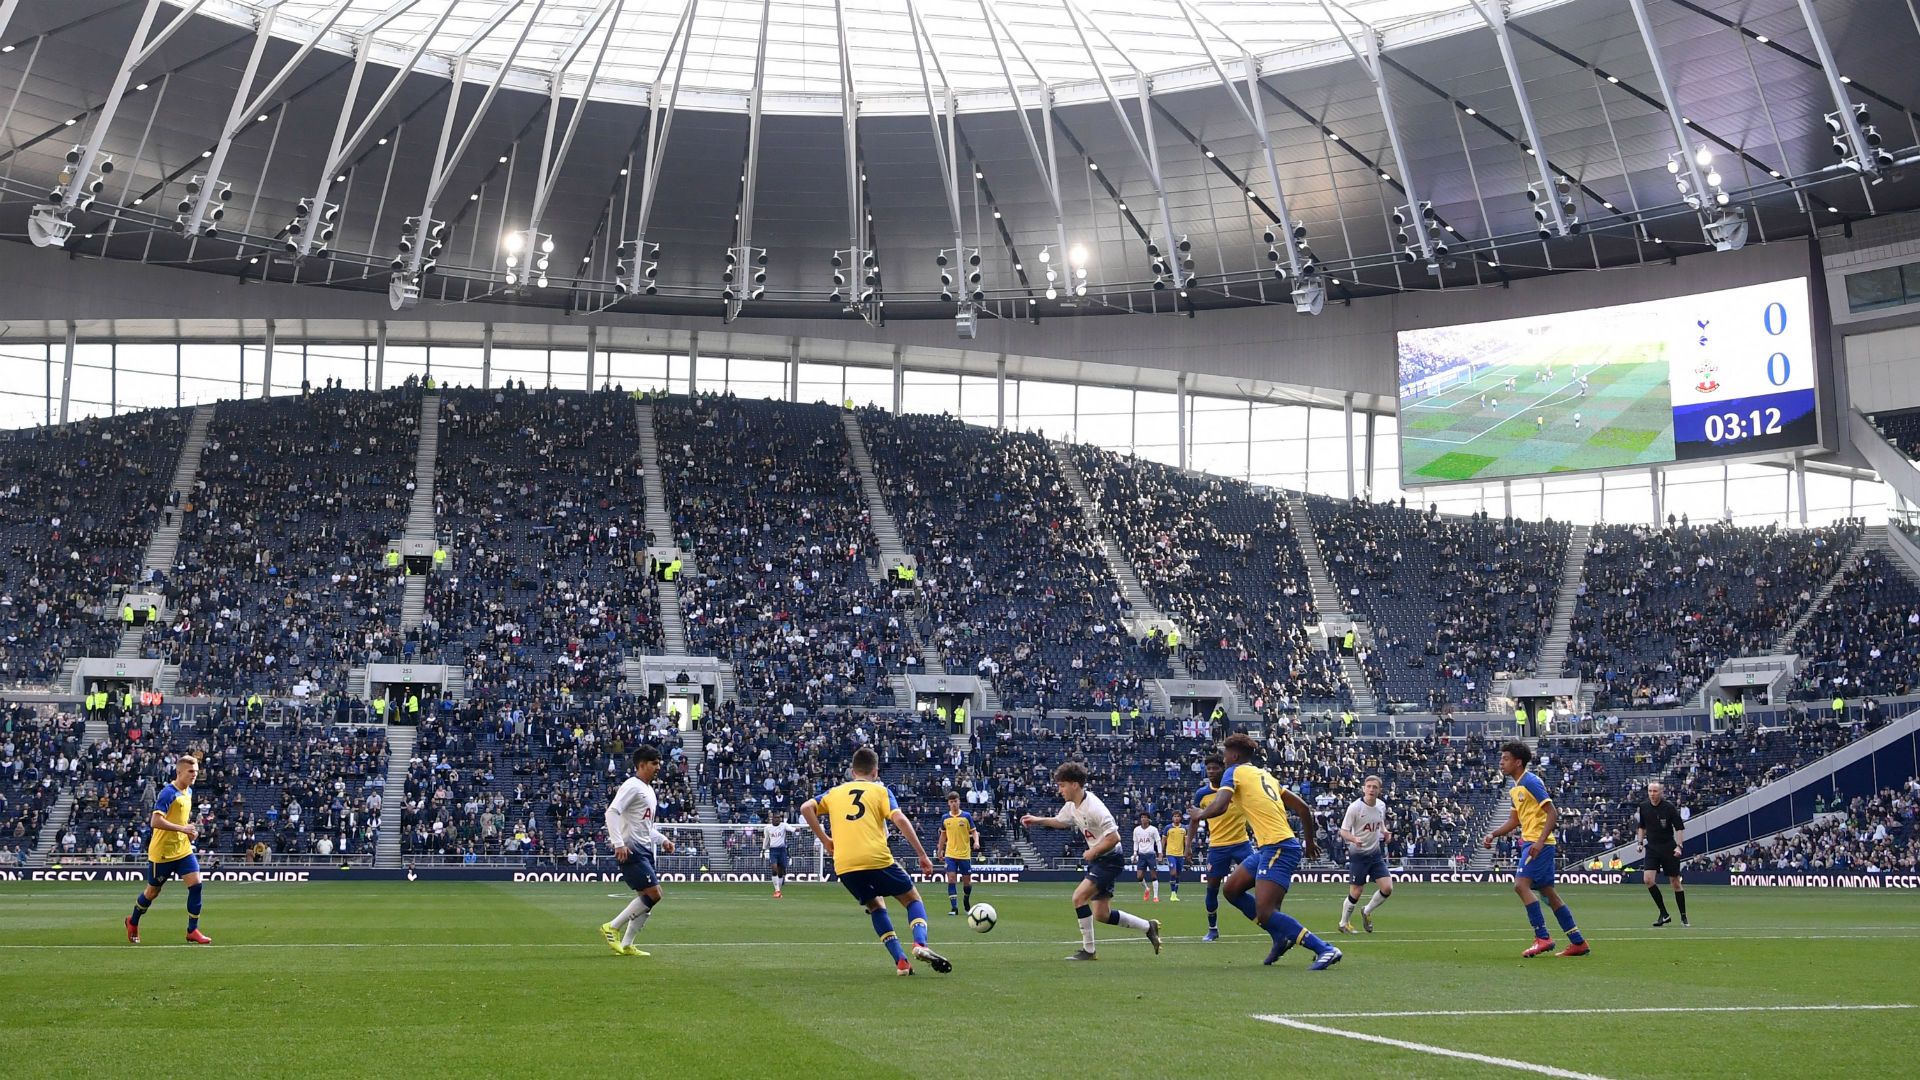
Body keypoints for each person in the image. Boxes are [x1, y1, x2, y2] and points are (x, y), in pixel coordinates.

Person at [1188, 733, 1342, 969]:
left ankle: (1324, 948)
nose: (1224, 759)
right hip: (1272, 846)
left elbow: (1219, 807)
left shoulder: (1233, 772)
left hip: (1279, 846)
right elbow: (1302, 807)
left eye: (1226, 754)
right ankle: (1280, 937)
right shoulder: (1265, 775)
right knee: (1231, 890)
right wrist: (1308, 842)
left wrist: (1199, 814)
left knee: (1266, 911)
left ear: (1235, 755)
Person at [799, 746, 950, 976]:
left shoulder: (834, 793)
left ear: (852, 771)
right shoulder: (880, 791)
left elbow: (805, 807)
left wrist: (826, 840)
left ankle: (901, 962)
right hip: (876, 858)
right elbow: (899, 818)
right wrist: (921, 853)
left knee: (875, 906)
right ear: (876, 771)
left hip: (845, 864)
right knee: (912, 900)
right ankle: (920, 944)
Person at [1021, 761, 1162, 961]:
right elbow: (1061, 821)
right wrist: (1037, 820)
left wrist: (1094, 850)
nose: (1059, 790)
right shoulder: (1072, 806)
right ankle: (1149, 927)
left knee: (1078, 898)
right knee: (1102, 914)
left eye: (1062, 785)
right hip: (1100, 859)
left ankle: (1088, 951)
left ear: (1075, 785)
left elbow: (1114, 837)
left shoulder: (1095, 807)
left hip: (1110, 859)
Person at [1482, 741, 1590, 958]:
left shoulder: (1531, 781)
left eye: (1505, 759)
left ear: (1518, 762)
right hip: (1533, 843)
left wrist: (1539, 843)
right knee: (1549, 894)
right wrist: (1494, 834)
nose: (1501, 763)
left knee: (1521, 885)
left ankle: (1542, 937)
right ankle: (1578, 942)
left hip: (1538, 844)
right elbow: (1514, 820)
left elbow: (1552, 813)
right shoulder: (1516, 789)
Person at [127, 753, 212, 945]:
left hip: (182, 850)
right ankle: (132, 922)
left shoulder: (188, 792)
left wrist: (189, 831)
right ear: (179, 772)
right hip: (163, 853)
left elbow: (178, 818)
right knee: (152, 892)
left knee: (196, 884)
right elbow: (155, 821)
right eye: (190, 771)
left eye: (196, 771)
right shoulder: (168, 793)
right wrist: (183, 828)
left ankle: (192, 930)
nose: (194, 775)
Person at [600, 745, 676, 957]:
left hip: (644, 849)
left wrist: (662, 840)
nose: (658, 767)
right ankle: (612, 927)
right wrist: (618, 843)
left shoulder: (649, 790)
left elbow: (644, 825)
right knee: (655, 893)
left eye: (659, 763)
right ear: (641, 765)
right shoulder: (632, 786)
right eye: (654, 763)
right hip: (631, 850)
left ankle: (626, 945)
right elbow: (612, 812)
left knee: (646, 900)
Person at [1194, 753, 1254, 942]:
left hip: (1242, 844)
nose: (1211, 772)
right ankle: (1212, 929)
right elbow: (1195, 819)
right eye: (1208, 769)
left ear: (1223, 769)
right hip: (1217, 847)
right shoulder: (1202, 794)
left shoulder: (1236, 790)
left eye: (1215, 768)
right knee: (1212, 889)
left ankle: (1271, 919)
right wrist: (1188, 846)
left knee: (1260, 880)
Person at [1338, 774, 1393, 934]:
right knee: (1356, 891)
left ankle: (1367, 911)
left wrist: (1385, 831)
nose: (1371, 790)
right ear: (1363, 788)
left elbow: (1379, 821)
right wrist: (1354, 839)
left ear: (1379, 790)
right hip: (1359, 855)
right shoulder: (1355, 808)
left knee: (1387, 888)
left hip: (1375, 854)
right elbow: (1343, 831)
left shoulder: (1381, 806)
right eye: (1368, 787)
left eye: (1374, 787)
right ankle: (1343, 923)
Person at [1637, 780, 1688, 927]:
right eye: (1650, 791)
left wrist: (1679, 846)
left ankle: (1683, 916)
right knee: (1648, 880)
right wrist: (1640, 843)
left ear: (1661, 792)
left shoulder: (1669, 808)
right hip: (1652, 847)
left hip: (1668, 847)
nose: (1652, 794)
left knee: (1675, 883)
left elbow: (1679, 828)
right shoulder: (1644, 807)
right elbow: (1641, 826)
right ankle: (1664, 913)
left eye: (1655, 791)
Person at [937, 791, 980, 916]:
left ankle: (966, 900)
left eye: (956, 801)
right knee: (951, 879)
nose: (954, 804)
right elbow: (943, 835)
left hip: (964, 854)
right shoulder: (945, 818)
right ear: (948, 803)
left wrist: (976, 841)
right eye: (951, 802)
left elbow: (974, 831)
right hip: (950, 854)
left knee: (967, 882)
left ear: (959, 802)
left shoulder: (966, 816)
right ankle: (954, 908)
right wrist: (940, 850)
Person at [764, 807, 804, 899]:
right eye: (776, 817)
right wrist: (763, 849)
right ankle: (777, 890)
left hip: (782, 850)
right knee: (774, 869)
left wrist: (795, 830)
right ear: (772, 818)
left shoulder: (783, 825)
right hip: (773, 850)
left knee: (781, 872)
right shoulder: (768, 828)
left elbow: (791, 829)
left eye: (779, 818)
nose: (778, 819)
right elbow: (766, 839)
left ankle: (778, 890)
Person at [1132, 812, 1162, 903]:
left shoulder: (1153, 829)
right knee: (1139, 876)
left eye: (1145, 817)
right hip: (1141, 855)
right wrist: (1135, 853)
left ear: (1148, 819)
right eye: (1141, 817)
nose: (1143, 819)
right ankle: (1146, 889)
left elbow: (1158, 841)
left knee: (1153, 875)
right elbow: (1136, 842)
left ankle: (1156, 896)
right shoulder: (1136, 830)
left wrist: (1160, 853)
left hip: (1150, 854)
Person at [1163, 813, 1186, 902]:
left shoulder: (1184, 828)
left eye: (1178, 816)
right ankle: (1172, 893)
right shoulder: (1168, 828)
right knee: (1173, 873)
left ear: (1180, 818)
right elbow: (1163, 840)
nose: (1176, 818)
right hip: (1170, 853)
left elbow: (1186, 842)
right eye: (1175, 816)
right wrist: (1161, 852)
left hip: (1180, 854)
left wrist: (1188, 851)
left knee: (1178, 875)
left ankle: (1175, 894)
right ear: (1172, 818)